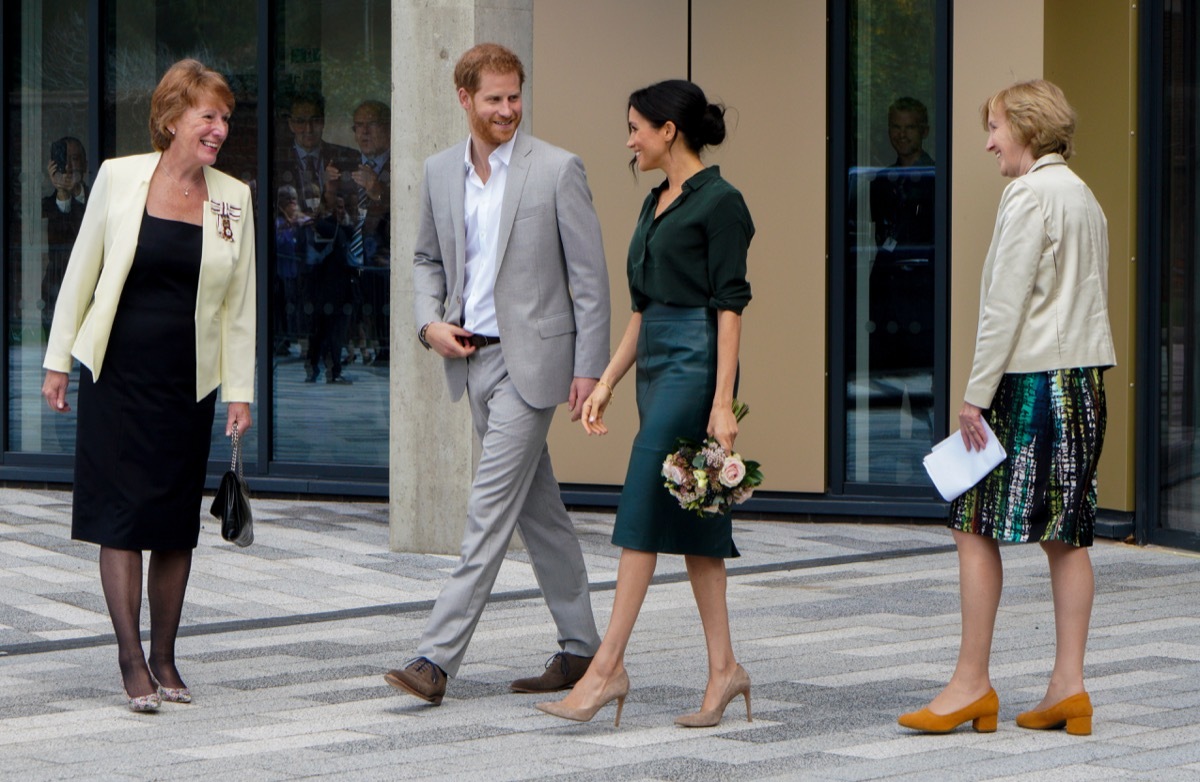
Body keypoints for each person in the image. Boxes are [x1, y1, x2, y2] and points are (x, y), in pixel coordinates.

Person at [386, 42, 609, 706]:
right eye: (494, 99)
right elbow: (426, 258)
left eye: (515, 97)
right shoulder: (437, 172)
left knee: (487, 511)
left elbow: (590, 281)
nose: (508, 109)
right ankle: (582, 650)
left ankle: (435, 658)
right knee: (540, 513)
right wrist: (430, 322)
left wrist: (589, 369)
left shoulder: (557, 169)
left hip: (533, 365)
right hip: (470, 359)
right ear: (465, 98)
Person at [898, 80, 1115, 736]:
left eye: (995, 127)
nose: (989, 141)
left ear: (1026, 126)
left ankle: (971, 684)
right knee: (1067, 534)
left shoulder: (1027, 195)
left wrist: (974, 395)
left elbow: (1005, 306)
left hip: (1029, 384)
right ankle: (1067, 688)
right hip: (1082, 383)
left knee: (970, 521)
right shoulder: (1085, 197)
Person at [537, 79, 753, 729]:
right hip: (654, 365)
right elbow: (641, 309)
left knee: (638, 510)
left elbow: (731, 308)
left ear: (669, 131)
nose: (629, 139)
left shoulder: (722, 203)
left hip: (695, 368)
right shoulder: (655, 200)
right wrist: (604, 382)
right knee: (697, 523)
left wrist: (721, 404)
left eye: (637, 127)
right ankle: (725, 671)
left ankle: (606, 668)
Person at [41, 59, 256, 713]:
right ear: (171, 120)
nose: (218, 128)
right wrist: (56, 362)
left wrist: (239, 392)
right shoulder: (119, 177)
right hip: (115, 374)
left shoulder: (231, 198)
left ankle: (166, 656)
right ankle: (131, 659)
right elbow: (82, 271)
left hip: (185, 385)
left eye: (224, 118)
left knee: (173, 524)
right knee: (120, 516)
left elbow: (237, 305)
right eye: (207, 116)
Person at [868, 97, 935, 371]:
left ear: (924, 131)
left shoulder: (936, 179)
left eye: (910, 127)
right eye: (896, 127)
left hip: (922, 293)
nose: (902, 134)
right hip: (886, 295)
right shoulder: (881, 180)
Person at [326, 99, 390, 367]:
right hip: (349, 257)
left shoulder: (403, 161)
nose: (363, 133)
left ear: (388, 128)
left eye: (371, 125)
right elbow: (326, 213)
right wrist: (329, 188)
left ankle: (384, 350)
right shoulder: (344, 163)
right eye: (358, 127)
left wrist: (377, 192)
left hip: (383, 260)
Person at [42, 136, 90, 336]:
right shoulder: (46, 206)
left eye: (75, 159)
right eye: (64, 159)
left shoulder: (97, 196)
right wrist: (62, 193)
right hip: (56, 289)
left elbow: (86, 230)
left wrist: (76, 191)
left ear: (86, 165)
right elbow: (57, 238)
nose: (69, 167)